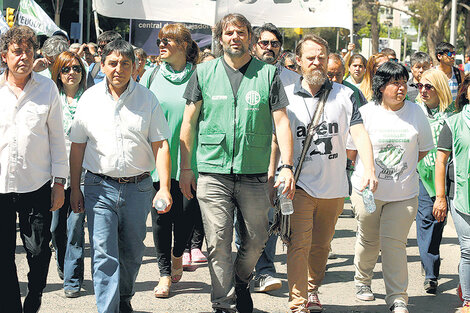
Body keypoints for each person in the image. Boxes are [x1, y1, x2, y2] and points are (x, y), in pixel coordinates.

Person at [180, 13, 295, 313]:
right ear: (220, 39)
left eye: (241, 32)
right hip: (212, 172)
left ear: (250, 38)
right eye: (229, 32)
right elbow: (188, 122)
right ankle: (223, 303)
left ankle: (241, 279)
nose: (235, 37)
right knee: (218, 242)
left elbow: (281, 123)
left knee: (257, 239)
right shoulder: (204, 73)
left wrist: (287, 166)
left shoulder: (268, 75)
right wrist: (186, 169)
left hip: (254, 173)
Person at [69, 39, 172, 313]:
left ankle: (123, 298)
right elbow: (77, 146)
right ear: (102, 65)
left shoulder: (147, 99)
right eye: (112, 63)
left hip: (138, 189)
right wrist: (74, 188)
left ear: (135, 66)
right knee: (103, 253)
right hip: (98, 187)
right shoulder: (89, 99)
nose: (119, 69)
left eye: (125, 63)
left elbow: (160, 144)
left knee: (132, 252)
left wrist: (163, 187)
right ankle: (108, 308)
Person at [283, 34, 377, 313]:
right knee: (298, 245)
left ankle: (312, 288)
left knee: (321, 247)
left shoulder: (345, 94)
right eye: (310, 57)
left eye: (321, 57)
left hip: (334, 188)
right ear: (298, 62)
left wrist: (369, 167)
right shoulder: (285, 96)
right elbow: (277, 139)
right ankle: (299, 302)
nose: (316, 62)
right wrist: (275, 173)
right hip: (298, 186)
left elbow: (359, 133)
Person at [348, 62, 433, 313]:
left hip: (404, 194)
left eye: (404, 82)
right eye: (396, 82)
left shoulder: (416, 112)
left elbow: (424, 148)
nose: (402, 87)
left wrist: (401, 170)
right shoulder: (365, 112)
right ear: (381, 86)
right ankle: (362, 281)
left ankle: (397, 297)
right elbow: (351, 151)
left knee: (394, 244)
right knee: (369, 240)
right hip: (367, 191)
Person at [0, 25, 68, 313]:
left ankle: (35, 296)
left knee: (39, 252)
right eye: (17, 51)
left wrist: (59, 182)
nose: (24, 57)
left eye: (29, 50)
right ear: (5, 56)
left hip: (37, 184)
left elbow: (57, 137)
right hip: (1, 186)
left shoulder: (47, 89)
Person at [139, 23, 200, 298]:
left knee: (187, 217)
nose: (161, 44)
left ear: (185, 46)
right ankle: (164, 273)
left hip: (191, 161)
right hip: (157, 163)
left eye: (169, 40)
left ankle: (178, 254)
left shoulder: (200, 77)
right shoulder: (151, 76)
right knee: (162, 219)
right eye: (160, 40)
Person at [249, 22, 301, 294]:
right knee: (244, 222)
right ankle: (246, 269)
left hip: (279, 162)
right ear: (254, 45)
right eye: (264, 43)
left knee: (269, 217)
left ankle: (265, 271)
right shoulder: (245, 74)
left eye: (274, 43)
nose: (269, 48)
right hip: (248, 159)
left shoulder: (294, 80)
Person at [50, 51, 88, 298]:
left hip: (83, 173)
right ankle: (65, 266)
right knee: (55, 229)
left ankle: (73, 279)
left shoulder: (91, 99)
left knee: (75, 228)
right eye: (65, 69)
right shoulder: (51, 98)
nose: (71, 73)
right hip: (55, 174)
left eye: (76, 68)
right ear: (58, 74)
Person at [414, 68, 454, 294]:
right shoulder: (414, 112)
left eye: (428, 86)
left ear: (440, 88)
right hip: (420, 176)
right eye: (420, 86)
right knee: (426, 220)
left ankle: (429, 263)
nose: (423, 91)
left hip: (446, 179)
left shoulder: (451, 115)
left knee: (438, 224)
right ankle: (431, 274)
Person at [434, 74, 470, 313]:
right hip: (461, 195)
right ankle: (468, 299)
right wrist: (440, 197)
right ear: (466, 91)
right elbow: (441, 160)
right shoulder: (454, 122)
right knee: (468, 249)